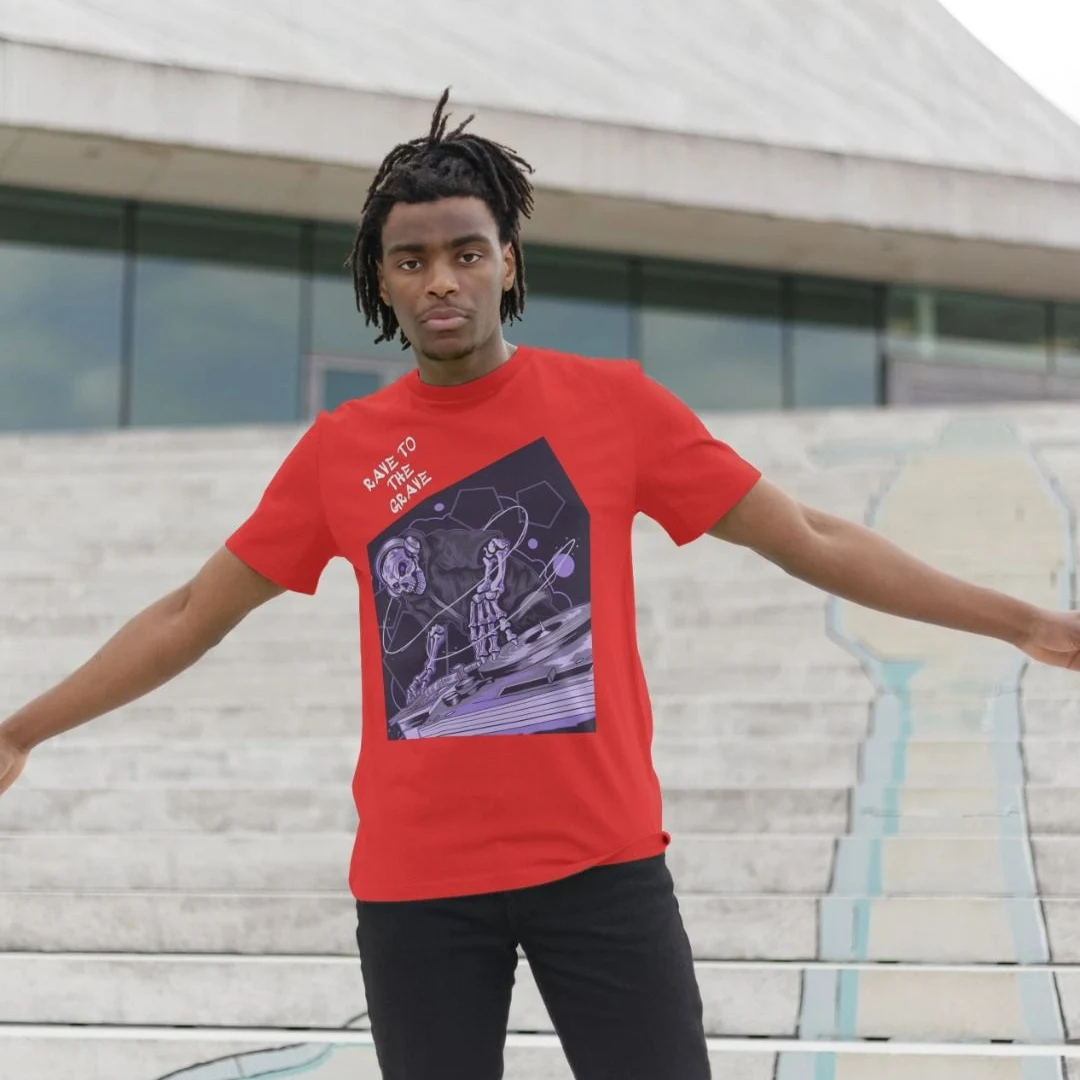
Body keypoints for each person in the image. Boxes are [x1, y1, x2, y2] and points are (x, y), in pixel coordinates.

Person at [1, 89, 1078, 1080]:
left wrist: (1019, 619)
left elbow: (808, 534)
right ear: (381, 281)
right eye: (412, 260)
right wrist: (22, 731)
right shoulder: (343, 452)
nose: (442, 281)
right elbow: (192, 612)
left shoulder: (614, 406)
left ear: (507, 263)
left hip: (602, 866)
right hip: (419, 887)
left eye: (466, 253)